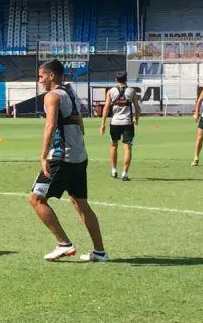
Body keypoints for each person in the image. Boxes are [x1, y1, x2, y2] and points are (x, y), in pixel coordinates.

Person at [28, 60, 107, 262]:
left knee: (36, 199)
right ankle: (100, 251)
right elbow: (80, 124)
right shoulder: (70, 93)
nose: (40, 80)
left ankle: (63, 244)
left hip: (61, 157)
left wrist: (44, 155)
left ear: (52, 75)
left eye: (41, 76)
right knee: (80, 203)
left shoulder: (52, 96)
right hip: (80, 156)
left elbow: (50, 125)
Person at [100, 72, 141, 181]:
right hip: (127, 123)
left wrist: (103, 124)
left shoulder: (111, 91)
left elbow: (106, 108)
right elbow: (137, 108)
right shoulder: (132, 91)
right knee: (127, 147)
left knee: (113, 145)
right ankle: (124, 173)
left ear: (116, 79)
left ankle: (113, 170)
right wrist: (136, 120)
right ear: (126, 79)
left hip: (114, 123)